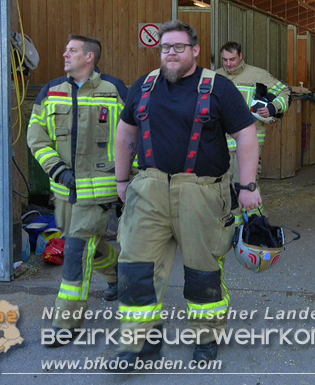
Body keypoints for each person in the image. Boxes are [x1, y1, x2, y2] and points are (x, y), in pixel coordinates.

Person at [113, 21, 261, 367]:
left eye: (179, 47)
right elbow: (125, 133)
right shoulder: (144, 86)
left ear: (195, 51)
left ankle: (207, 337)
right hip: (148, 189)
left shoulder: (218, 88)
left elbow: (246, 134)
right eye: (165, 47)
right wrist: (121, 181)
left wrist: (248, 186)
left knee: (202, 270)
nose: (171, 53)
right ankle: (139, 343)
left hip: (201, 192)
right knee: (136, 268)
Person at [27, 34, 127, 346]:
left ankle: (66, 323)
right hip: (64, 191)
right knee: (90, 244)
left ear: (89, 57)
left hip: (99, 192)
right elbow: (36, 137)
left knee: (75, 251)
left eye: (72, 50)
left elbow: (133, 135)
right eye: (66, 49)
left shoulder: (115, 90)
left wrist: (129, 179)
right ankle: (118, 277)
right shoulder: (51, 90)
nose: (64, 54)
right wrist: (58, 170)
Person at [216, 41, 289, 224]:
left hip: (248, 143)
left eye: (232, 59)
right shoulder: (216, 77)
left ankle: (256, 226)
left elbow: (285, 92)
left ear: (241, 56)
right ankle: (234, 227)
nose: (228, 64)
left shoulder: (258, 75)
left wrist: (273, 108)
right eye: (225, 60)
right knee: (223, 188)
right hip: (221, 144)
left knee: (245, 185)